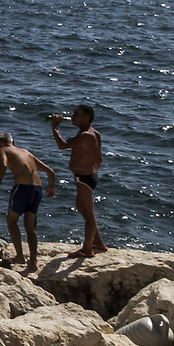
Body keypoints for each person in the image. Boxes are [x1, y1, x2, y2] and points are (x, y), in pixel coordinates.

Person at [0, 131, 57, 273]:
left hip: (22, 189)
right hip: (37, 190)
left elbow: (3, 165)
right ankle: (33, 262)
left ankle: (20, 257)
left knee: (11, 221)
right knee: (31, 227)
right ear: (13, 141)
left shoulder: (3, 150)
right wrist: (51, 186)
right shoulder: (26, 152)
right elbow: (50, 171)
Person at [49, 105, 108, 257]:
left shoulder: (86, 136)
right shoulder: (94, 133)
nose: (72, 117)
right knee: (81, 207)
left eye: (76, 114)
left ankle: (87, 250)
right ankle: (98, 242)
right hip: (86, 176)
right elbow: (100, 158)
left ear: (86, 118)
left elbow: (62, 145)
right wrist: (92, 169)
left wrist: (54, 128)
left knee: (88, 214)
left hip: (84, 178)